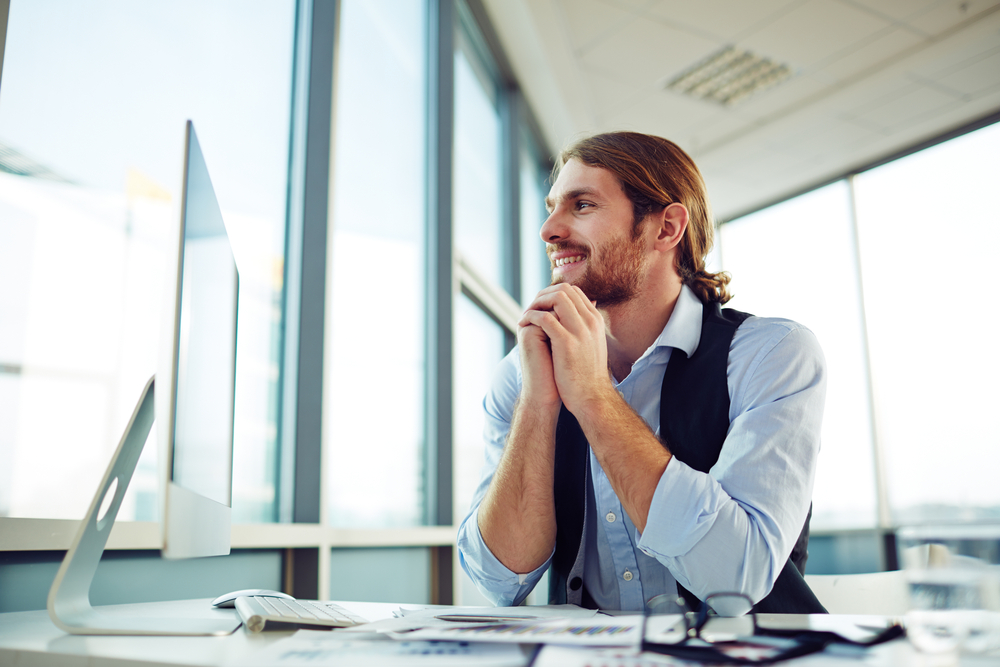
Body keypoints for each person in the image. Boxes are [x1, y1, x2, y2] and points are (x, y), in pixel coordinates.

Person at [456, 131, 827, 614]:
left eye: (582, 205)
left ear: (666, 228)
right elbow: (499, 581)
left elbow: (735, 580)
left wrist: (593, 397)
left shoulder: (773, 354)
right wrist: (537, 405)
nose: (549, 229)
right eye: (551, 208)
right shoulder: (523, 372)